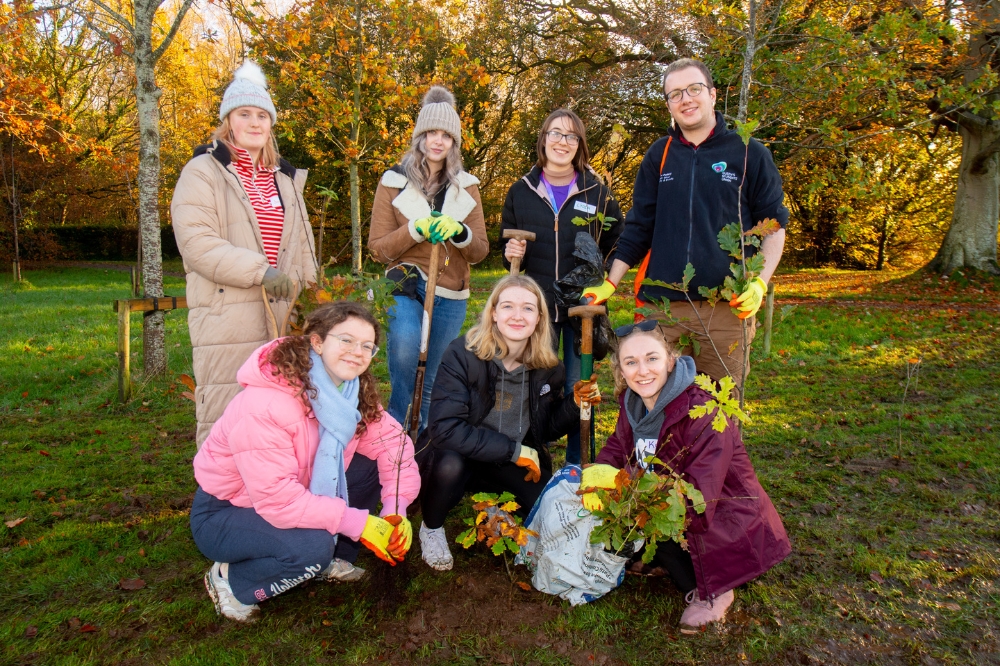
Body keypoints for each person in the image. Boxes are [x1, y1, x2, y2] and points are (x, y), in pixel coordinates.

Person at [189, 302, 420, 622]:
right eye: (346, 340)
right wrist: (360, 523)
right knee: (312, 547)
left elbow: (395, 449)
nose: (357, 351)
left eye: (367, 346)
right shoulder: (267, 404)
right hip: (228, 511)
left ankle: (332, 559)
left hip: (291, 495)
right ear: (317, 341)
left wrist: (395, 509)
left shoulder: (351, 392)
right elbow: (277, 499)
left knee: (367, 468)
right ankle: (233, 581)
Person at [583, 58, 789, 386]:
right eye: (675, 94)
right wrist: (611, 282)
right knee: (657, 411)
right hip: (662, 311)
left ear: (712, 94)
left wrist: (760, 283)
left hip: (726, 310)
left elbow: (774, 226)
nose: (686, 99)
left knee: (716, 417)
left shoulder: (748, 152)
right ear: (668, 105)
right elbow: (639, 227)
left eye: (694, 89)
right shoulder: (659, 155)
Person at [582, 320, 790, 632]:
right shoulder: (632, 403)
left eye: (652, 358)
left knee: (646, 533)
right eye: (631, 362)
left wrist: (631, 500)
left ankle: (717, 591)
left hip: (723, 526)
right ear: (620, 370)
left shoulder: (703, 411)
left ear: (670, 360)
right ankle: (658, 555)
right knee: (606, 523)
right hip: (665, 506)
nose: (643, 371)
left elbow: (702, 502)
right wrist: (597, 478)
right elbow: (617, 447)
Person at [172, 61, 318, 446]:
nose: (254, 123)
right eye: (244, 114)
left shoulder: (284, 180)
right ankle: (220, 502)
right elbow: (197, 242)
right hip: (227, 313)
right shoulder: (203, 172)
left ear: (270, 124)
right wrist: (260, 271)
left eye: (262, 115)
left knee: (281, 412)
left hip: (283, 313)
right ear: (228, 121)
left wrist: (316, 303)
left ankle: (270, 497)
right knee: (228, 410)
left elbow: (302, 250)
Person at [416, 275, 600, 571]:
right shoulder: (463, 354)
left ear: (540, 318)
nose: (517, 315)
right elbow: (445, 428)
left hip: (507, 458)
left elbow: (546, 428)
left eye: (528, 308)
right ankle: (432, 527)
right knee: (450, 467)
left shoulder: (549, 367)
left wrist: (574, 405)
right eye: (508, 306)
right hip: (458, 453)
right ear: (493, 313)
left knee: (540, 500)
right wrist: (516, 452)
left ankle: (494, 505)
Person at [499, 108, 623, 464]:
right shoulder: (520, 192)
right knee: (535, 384)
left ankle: (578, 463)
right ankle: (531, 459)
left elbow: (620, 242)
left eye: (571, 136)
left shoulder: (597, 193)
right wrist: (511, 250)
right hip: (534, 307)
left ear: (580, 145)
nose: (562, 142)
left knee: (577, 386)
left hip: (582, 306)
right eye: (555, 133)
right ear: (543, 139)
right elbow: (503, 243)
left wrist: (605, 281)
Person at [368, 85, 489, 432]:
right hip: (405, 283)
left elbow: (479, 250)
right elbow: (379, 248)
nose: (438, 141)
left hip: (450, 288)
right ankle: (396, 430)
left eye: (446, 136)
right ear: (419, 136)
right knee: (407, 348)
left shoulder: (467, 186)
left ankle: (423, 443)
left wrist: (459, 232)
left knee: (434, 373)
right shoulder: (393, 182)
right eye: (431, 133)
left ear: (454, 143)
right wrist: (416, 228)